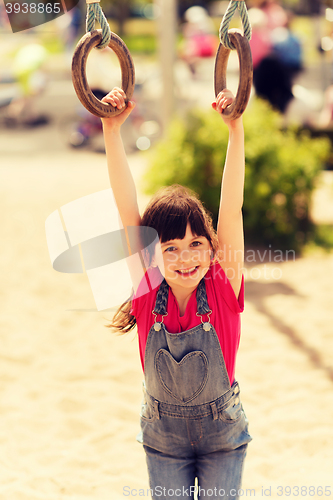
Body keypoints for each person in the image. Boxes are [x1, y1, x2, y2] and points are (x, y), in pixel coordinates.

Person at [100, 87, 252, 500]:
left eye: (195, 244)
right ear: (153, 253)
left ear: (211, 246)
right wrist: (111, 131)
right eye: (171, 248)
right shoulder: (148, 289)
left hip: (223, 434)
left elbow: (231, 205)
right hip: (163, 437)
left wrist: (235, 130)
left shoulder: (223, 285)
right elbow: (125, 204)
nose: (186, 258)